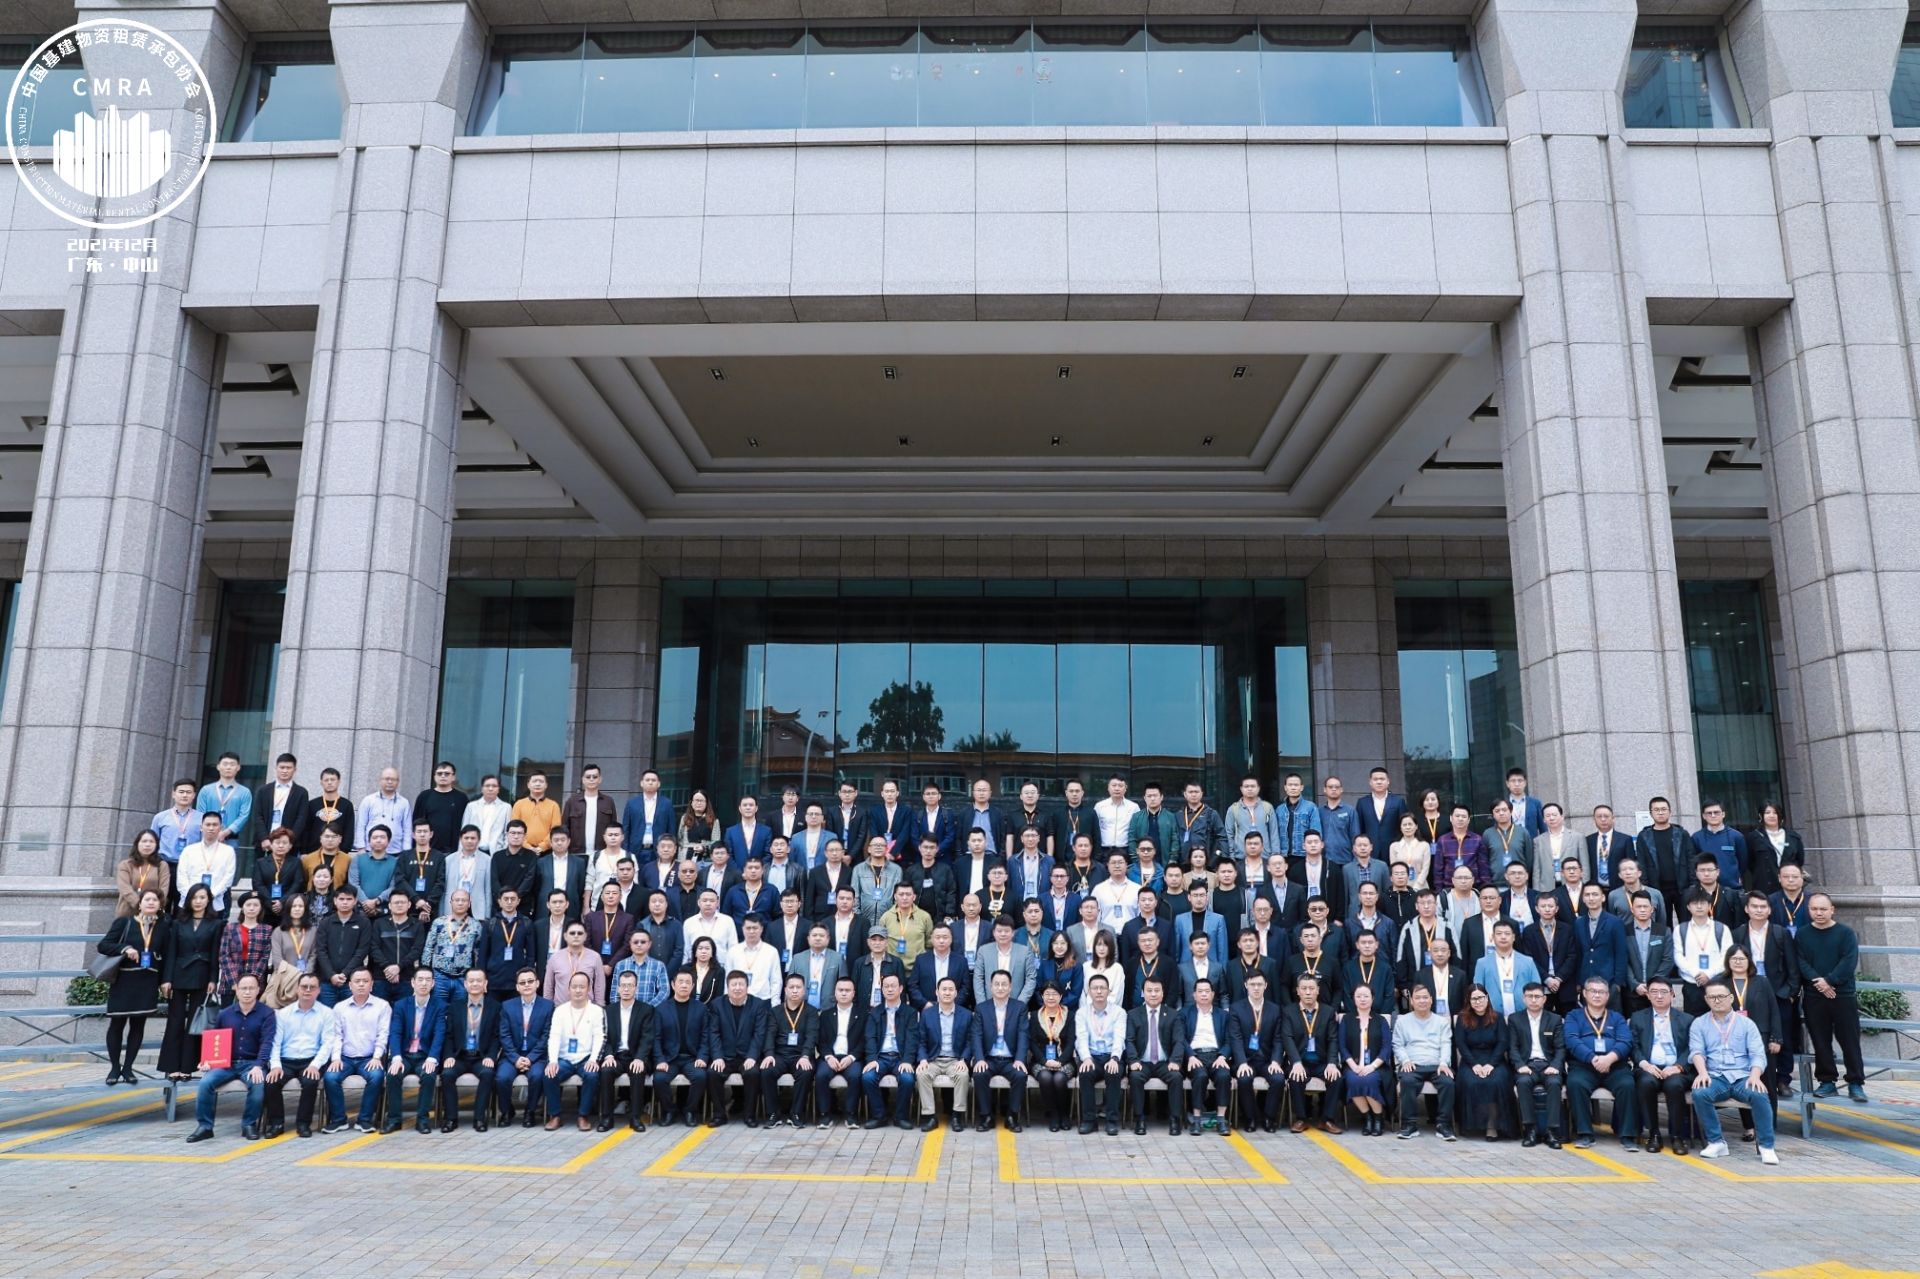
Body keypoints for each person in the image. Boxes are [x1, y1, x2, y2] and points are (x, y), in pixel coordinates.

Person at [1690, 979, 1780, 1164]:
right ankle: (1716, 1142)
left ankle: (1767, 1146)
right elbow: (1697, 1052)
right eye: (1712, 997)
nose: (1717, 1000)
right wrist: (1702, 1073)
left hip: (1743, 1077)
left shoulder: (1747, 1024)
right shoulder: (1699, 1024)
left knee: (1760, 1094)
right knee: (1699, 1093)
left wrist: (1755, 1076)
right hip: (1716, 1076)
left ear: (1731, 998)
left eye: (1721, 996)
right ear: (1706, 1000)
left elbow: (1757, 1054)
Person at [183, 972, 276, 1143]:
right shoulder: (224, 1014)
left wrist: (259, 1065)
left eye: (251, 988)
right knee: (205, 1083)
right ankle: (205, 1126)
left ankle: (249, 1124)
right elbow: (214, 1040)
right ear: (236, 989)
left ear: (258, 990)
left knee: (257, 1084)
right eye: (243, 988)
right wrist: (208, 1061)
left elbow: (267, 1042)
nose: (247, 992)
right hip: (226, 1063)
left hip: (252, 1064)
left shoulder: (267, 1014)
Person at [1798, 892, 1867, 1103]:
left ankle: (1855, 1083)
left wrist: (1829, 981)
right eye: (1814, 909)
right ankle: (1827, 1081)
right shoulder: (1802, 934)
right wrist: (1819, 983)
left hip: (1842, 994)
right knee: (1820, 1040)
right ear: (1809, 910)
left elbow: (1849, 961)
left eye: (1823, 909)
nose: (1818, 913)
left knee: (1849, 1040)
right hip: (1814, 995)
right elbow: (1801, 962)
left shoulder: (1845, 933)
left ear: (1832, 910)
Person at [97, 888, 170, 1085]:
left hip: (147, 981)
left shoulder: (164, 926)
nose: (151, 903)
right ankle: (114, 1067)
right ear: (140, 903)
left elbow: (168, 955)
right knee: (117, 1024)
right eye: (147, 899)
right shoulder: (125, 922)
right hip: (124, 980)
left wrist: (165, 980)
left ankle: (128, 1068)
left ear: (160, 904)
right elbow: (103, 945)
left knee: (138, 1025)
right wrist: (125, 948)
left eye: (155, 900)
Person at [1737, 890, 1801, 1095]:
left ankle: (1783, 1079)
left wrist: (1790, 992)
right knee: (1750, 1035)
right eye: (1754, 906)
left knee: (1783, 1036)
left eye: (1763, 907)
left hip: (1778, 991)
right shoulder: (1738, 933)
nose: (1759, 910)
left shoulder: (1779, 932)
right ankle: (1754, 1076)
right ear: (1746, 909)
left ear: (1769, 910)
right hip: (1749, 991)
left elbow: (1792, 965)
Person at [157, 883, 221, 1083]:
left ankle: (188, 1067)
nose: (198, 901)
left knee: (195, 1023)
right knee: (175, 1021)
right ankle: (172, 1066)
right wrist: (167, 979)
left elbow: (215, 954)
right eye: (195, 897)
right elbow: (172, 952)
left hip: (202, 975)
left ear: (208, 900)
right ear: (189, 900)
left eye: (202, 897)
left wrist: (213, 979)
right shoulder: (178, 923)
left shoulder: (216, 924)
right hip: (179, 974)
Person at [1564, 975, 1635, 1150]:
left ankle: (1627, 1135)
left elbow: (1625, 1041)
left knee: (1627, 1084)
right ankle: (1585, 1134)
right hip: (1584, 1066)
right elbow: (1572, 1040)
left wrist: (1609, 1058)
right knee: (1575, 1083)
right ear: (1584, 994)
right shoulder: (1574, 1016)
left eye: (1601, 992)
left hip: (1614, 1066)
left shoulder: (1617, 1017)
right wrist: (1593, 1058)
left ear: (1607, 996)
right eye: (1593, 991)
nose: (1597, 995)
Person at [265, 972, 335, 1138]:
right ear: (297, 989)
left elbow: (327, 1044)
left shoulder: (326, 1013)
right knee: (271, 1082)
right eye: (304, 986)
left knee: (310, 1082)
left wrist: (315, 1065)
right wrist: (275, 1066)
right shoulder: (283, 1014)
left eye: (312, 987)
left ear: (318, 990)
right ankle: (276, 1123)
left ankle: (303, 1123)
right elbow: (275, 1043)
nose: (307, 990)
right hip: (286, 1060)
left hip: (311, 1060)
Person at [1628, 975, 1693, 1154]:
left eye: (1663, 992)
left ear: (1672, 994)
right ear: (1648, 995)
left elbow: (1692, 1047)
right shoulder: (1638, 1018)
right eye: (1654, 992)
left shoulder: (1686, 1019)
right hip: (1649, 1067)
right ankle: (1654, 1134)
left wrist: (1678, 1066)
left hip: (1676, 1069)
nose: (1659, 996)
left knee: (1674, 1085)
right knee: (1646, 1083)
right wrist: (1644, 1064)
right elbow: (1633, 1046)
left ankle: (1677, 1136)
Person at [321, 968, 391, 1133]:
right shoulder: (340, 1008)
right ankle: (339, 1120)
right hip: (345, 1058)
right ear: (350, 985)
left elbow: (383, 1035)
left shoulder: (382, 1006)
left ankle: (364, 1120)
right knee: (330, 1077)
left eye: (365, 981)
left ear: (371, 985)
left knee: (376, 1076)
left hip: (369, 1058)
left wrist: (377, 1057)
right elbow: (336, 1036)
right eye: (357, 981)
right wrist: (336, 1058)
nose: (361, 985)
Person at [434, 967, 500, 1132]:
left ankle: (479, 1119)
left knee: (487, 1074)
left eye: (479, 980)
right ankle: (451, 1119)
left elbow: (496, 1036)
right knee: (447, 1074)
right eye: (471, 981)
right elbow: (449, 1035)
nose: (475, 984)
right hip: (460, 1056)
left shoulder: (495, 1007)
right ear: (465, 984)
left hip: (481, 1056)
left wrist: (491, 1056)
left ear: (485, 983)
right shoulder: (455, 1006)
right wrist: (448, 1056)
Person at [380, 967, 445, 1134]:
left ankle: (422, 1120)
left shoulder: (440, 1006)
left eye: (428, 980)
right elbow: (395, 1033)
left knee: (429, 1075)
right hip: (405, 1055)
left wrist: (432, 1058)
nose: (424, 983)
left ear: (433, 983)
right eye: (420, 979)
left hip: (425, 1055)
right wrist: (396, 1057)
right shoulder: (401, 1005)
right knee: (393, 1074)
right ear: (413, 982)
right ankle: (394, 1120)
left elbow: (439, 1034)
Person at [1123, 975, 1186, 1135]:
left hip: (1165, 1062)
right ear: (1143, 993)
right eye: (1149, 990)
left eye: (1157, 990)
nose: (1153, 994)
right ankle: (1139, 1119)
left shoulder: (1173, 1014)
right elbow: (1129, 1040)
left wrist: (1175, 1061)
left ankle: (1175, 1119)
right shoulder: (1133, 1014)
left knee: (1176, 1077)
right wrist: (1133, 1060)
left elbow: (1179, 1041)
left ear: (1162, 993)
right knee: (1135, 1077)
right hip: (1142, 1062)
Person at [1392, 984, 1455, 1140]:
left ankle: (1444, 1125)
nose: (1422, 1001)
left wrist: (1444, 1063)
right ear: (1411, 1001)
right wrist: (1405, 1060)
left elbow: (1446, 1044)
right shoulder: (1403, 1021)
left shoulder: (1441, 1022)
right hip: (1412, 1064)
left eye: (1425, 997)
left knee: (1448, 1082)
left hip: (1436, 1065)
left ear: (1431, 1000)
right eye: (1418, 998)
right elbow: (1397, 1044)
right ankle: (1409, 1125)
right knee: (1407, 1081)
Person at [544, 970, 605, 1131]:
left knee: (592, 1075)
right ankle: (555, 1116)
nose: (578, 990)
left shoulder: (596, 1011)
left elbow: (599, 1037)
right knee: (549, 1074)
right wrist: (553, 1061)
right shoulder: (560, 1011)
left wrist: (593, 1059)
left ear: (588, 989)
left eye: (582, 987)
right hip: (564, 1059)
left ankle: (583, 1116)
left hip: (586, 1058)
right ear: (568, 989)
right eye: (574, 987)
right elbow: (554, 1037)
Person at [1281, 975, 1342, 1133]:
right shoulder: (1288, 1012)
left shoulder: (1328, 1012)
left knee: (1336, 1077)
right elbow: (1287, 1038)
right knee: (1295, 1077)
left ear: (1318, 991)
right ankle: (1301, 1119)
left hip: (1322, 1062)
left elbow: (1333, 1039)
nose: (1308, 992)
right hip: (1300, 1062)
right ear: (1297, 991)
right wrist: (1296, 1062)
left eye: (1311, 988)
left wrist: (1332, 1063)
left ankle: (1327, 1120)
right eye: (1304, 988)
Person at [600, 968, 659, 1131]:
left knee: (638, 1071)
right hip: (616, 1056)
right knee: (605, 1071)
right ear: (618, 988)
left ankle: (635, 1118)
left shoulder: (646, 1010)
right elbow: (604, 1037)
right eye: (623, 985)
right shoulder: (608, 1010)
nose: (626, 989)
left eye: (630, 985)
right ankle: (607, 1118)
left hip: (636, 1056)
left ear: (636, 988)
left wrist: (640, 1058)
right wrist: (608, 1055)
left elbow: (647, 1038)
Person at [1508, 980, 1565, 1148]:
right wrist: (1520, 1065)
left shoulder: (1554, 1019)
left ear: (1544, 999)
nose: (1533, 1000)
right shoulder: (1515, 1019)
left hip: (1549, 1065)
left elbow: (1560, 1048)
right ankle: (1530, 1130)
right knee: (1523, 1082)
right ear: (1524, 999)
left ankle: (1552, 1132)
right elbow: (1512, 1047)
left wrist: (1555, 1066)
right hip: (1527, 1065)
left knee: (1554, 1083)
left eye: (1537, 996)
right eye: (1530, 996)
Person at [971, 970, 1029, 1130]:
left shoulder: (1020, 1008)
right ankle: (986, 1116)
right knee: (979, 1074)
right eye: (996, 984)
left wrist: (1019, 1059)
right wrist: (980, 1059)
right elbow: (976, 1035)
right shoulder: (982, 1008)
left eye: (1004, 984)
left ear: (1010, 987)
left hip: (1010, 1060)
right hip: (989, 1059)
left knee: (1020, 1075)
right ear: (991, 987)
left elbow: (1023, 1035)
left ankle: (1012, 1116)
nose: (1000, 988)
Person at [915, 976, 974, 1132]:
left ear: (956, 993)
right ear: (937, 992)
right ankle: (930, 1116)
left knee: (962, 1075)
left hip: (955, 1060)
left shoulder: (966, 1014)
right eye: (944, 989)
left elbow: (970, 1041)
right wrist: (923, 1059)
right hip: (933, 1059)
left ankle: (957, 1115)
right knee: (922, 1074)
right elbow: (921, 1041)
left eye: (951, 990)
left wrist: (964, 1059)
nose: (947, 993)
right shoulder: (927, 1014)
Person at [861, 973, 920, 1130]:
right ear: (882, 990)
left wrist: (907, 1060)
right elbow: (870, 1037)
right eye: (886, 986)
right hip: (880, 1057)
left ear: (900, 989)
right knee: (868, 1077)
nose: (889, 989)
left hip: (900, 1058)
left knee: (907, 1079)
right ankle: (879, 1116)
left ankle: (900, 1117)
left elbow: (912, 1039)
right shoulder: (875, 1012)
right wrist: (872, 1059)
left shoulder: (910, 1012)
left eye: (893, 986)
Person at [755, 973, 815, 1128]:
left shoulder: (811, 1012)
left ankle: (796, 1113)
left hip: (800, 1055)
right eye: (791, 987)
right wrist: (769, 1054)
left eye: (798, 987)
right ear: (785, 990)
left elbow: (812, 1036)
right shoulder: (775, 1011)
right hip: (779, 1055)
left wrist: (805, 1055)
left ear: (804, 990)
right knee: (766, 1070)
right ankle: (773, 1113)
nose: (795, 990)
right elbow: (770, 1034)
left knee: (805, 1072)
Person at [654, 969, 712, 1127]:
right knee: (659, 1079)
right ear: (673, 985)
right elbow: (656, 1038)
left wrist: (702, 1057)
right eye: (681, 982)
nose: (684, 985)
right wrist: (660, 1059)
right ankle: (669, 1110)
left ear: (692, 986)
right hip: (669, 1059)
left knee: (700, 1077)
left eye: (688, 982)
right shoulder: (661, 1009)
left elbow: (705, 1037)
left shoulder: (701, 1008)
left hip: (691, 1058)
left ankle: (690, 1111)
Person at [1455, 983, 1511, 1140]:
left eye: (1480, 997)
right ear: (1468, 1001)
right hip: (1471, 1060)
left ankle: (1491, 1125)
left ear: (1487, 998)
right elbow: (1461, 1044)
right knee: (1471, 1082)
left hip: (1494, 1059)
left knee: (1496, 1082)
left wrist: (1491, 1064)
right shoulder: (1462, 1018)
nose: (1478, 1002)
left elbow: (1502, 1042)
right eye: (1473, 999)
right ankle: (1474, 1123)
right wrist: (1474, 1065)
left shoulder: (1497, 1017)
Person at [1074, 972, 1126, 1135]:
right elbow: (1081, 1038)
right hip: (1092, 1057)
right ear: (1089, 991)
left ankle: (1112, 1121)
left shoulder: (1119, 1012)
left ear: (1109, 991)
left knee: (1113, 1073)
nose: (1098, 991)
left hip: (1112, 1056)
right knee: (1085, 1073)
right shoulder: (1082, 1013)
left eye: (1102, 988)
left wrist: (1115, 1058)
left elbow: (1119, 1037)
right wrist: (1086, 1058)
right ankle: (1089, 1121)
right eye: (1095, 988)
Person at [1339, 981, 1391, 1136]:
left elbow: (1386, 1047)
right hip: (1353, 1065)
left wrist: (1372, 1066)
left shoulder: (1381, 1020)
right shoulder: (1346, 1020)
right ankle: (1368, 1117)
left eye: (1366, 996)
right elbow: (1342, 1046)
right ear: (1353, 999)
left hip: (1376, 1066)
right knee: (1352, 1079)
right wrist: (1353, 1066)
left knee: (1369, 1080)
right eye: (1359, 996)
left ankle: (1378, 1118)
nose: (1362, 999)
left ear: (1372, 998)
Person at [1673, 886, 1734, 1015]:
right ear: (1688, 907)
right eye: (1695, 903)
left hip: (1717, 983)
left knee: (1720, 1018)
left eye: (1703, 903)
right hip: (1692, 984)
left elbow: (1727, 955)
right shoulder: (1680, 929)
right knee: (1693, 1021)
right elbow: (1678, 956)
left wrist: (1709, 974)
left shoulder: (1722, 929)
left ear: (1709, 905)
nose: (1699, 906)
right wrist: (1696, 973)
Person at [813, 976, 864, 1128]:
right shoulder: (826, 1015)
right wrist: (828, 1057)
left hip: (852, 1057)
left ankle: (851, 1115)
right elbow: (821, 1040)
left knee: (855, 1076)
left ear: (853, 993)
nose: (843, 993)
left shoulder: (862, 1014)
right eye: (840, 990)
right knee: (821, 1075)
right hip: (831, 1057)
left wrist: (852, 1057)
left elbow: (865, 1041)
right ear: (835, 992)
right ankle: (825, 1115)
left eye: (847, 990)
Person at [1028, 981, 1077, 1132]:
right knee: (1045, 1077)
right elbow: (1032, 1043)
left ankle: (1064, 1114)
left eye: (1054, 994)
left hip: (1065, 1060)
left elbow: (1071, 1042)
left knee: (1059, 1078)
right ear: (1042, 996)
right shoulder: (1035, 1016)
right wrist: (1044, 1061)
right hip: (1040, 1060)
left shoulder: (1069, 1015)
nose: (1051, 997)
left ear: (1061, 996)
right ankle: (1053, 1114)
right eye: (1047, 994)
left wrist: (1060, 1061)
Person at [1623, 889, 1676, 1015]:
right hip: (1633, 992)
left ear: (1652, 909)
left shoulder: (1664, 931)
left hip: (1659, 992)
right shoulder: (1624, 931)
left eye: (1645, 906)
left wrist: (1653, 985)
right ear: (1632, 909)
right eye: (1638, 907)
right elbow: (1623, 961)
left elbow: (1668, 960)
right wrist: (1634, 984)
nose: (1642, 910)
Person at [1473, 921, 1540, 1018]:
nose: (1503, 937)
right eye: (1499, 933)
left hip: (1523, 1016)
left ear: (1514, 937)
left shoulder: (1527, 961)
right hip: (1492, 1017)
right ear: (1493, 937)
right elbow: (1477, 991)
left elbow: (1537, 988)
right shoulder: (1482, 963)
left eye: (1507, 933)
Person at [176, 811, 238, 916]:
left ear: (220, 828)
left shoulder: (228, 851)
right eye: (208, 824)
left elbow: (228, 878)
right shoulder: (189, 850)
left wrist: (210, 895)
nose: (211, 828)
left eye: (215, 825)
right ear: (201, 827)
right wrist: (193, 896)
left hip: (215, 904)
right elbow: (182, 877)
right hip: (189, 903)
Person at [217, 891, 274, 999]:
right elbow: (224, 955)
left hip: (255, 984)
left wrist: (252, 981)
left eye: (255, 905)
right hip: (230, 982)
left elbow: (264, 957)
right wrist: (234, 982)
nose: (252, 908)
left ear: (261, 908)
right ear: (242, 908)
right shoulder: (230, 928)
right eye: (248, 905)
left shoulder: (267, 930)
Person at [544, 921, 607, 1005]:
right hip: (560, 1008)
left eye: (580, 933)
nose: (576, 936)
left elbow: (599, 985)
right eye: (572, 933)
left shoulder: (595, 957)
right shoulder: (555, 958)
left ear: (585, 936)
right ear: (565, 936)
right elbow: (548, 986)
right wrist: (547, 1007)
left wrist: (599, 1006)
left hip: (588, 1009)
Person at [196, 751, 252, 846]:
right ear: (218, 766)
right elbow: (200, 813)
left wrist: (226, 832)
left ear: (238, 767)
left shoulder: (245, 792)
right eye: (225, 764)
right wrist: (213, 831)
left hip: (231, 838)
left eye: (232, 764)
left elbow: (243, 816)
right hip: (207, 837)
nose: (228, 767)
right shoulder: (206, 790)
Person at [1748, 802, 1804, 896]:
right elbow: (1750, 863)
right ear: (1761, 816)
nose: (1772, 815)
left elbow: (1800, 861)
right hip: (1764, 887)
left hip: (1789, 885)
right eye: (1767, 812)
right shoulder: (1754, 837)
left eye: (1775, 812)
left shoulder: (1793, 837)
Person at [1692, 800, 1750, 891]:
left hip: (1732, 888)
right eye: (1709, 813)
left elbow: (1743, 863)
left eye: (1716, 812)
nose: (1713, 815)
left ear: (1723, 814)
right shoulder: (1696, 838)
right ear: (1703, 816)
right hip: (1706, 890)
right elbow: (1694, 864)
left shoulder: (1736, 836)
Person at [250, 826, 302, 926]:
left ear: (290, 846)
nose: (281, 846)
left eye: (284, 843)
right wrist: (271, 903)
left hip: (288, 908)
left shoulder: (296, 863)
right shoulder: (261, 862)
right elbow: (258, 885)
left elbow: (297, 884)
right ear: (271, 844)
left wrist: (282, 902)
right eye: (277, 842)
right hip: (265, 908)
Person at [1433, 804, 1489, 890]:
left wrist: (1485, 887)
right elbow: (1438, 869)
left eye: (1464, 816)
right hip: (1449, 887)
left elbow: (1483, 867)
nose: (1460, 819)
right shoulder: (1443, 840)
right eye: (1457, 816)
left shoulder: (1477, 839)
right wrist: (1439, 890)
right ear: (1451, 818)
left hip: (1473, 887)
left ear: (1468, 820)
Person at [464, 774, 513, 856]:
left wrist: (504, 852)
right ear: (482, 789)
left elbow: (507, 832)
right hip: (473, 850)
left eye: (494, 786)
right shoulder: (471, 806)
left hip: (496, 852)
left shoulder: (506, 807)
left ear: (498, 789)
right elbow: (464, 830)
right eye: (487, 786)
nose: (490, 789)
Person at [1388, 812, 1432, 892]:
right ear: (1400, 827)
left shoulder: (1424, 845)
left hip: (1421, 887)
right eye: (1404, 825)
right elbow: (1394, 869)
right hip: (1400, 888)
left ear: (1416, 826)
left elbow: (1425, 869)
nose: (1407, 827)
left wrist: (1417, 886)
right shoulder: (1394, 846)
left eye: (1410, 824)